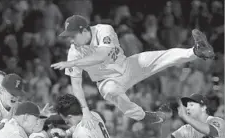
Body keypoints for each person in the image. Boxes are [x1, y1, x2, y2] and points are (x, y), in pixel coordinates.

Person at [51, 15, 215, 124]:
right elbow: (76, 83)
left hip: (127, 66)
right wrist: (85, 110)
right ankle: (144, 116)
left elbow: (102, 55)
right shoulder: (74, 52)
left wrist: (73, 63)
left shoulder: (103, 30)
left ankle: (196, 51)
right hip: (107, 81)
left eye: (73, 35)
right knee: (111, 91)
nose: (70, 39)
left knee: (161, 57)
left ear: (84, 30)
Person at [45, 94, 122, 138]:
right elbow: (78, 127)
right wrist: (67, 133)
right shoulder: (93, 114)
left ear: (70, 116)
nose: (65, 122)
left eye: (65, 119)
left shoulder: (81, 133)